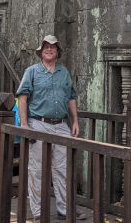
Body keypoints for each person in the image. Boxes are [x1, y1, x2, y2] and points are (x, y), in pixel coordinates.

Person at [16, 34, 80, 221]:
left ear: (57, 51)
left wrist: (75, 121)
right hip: (38, 123)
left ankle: (64, 209)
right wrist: (25, 124)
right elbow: (22, 97)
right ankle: (37, 212)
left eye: (53, 47)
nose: (49, 49)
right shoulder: (32, 71)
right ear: (41, 51)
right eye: (46, 47)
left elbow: (71, 97)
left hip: (61, 124)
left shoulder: (64, 72)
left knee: (63, 168)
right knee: (36, 170)